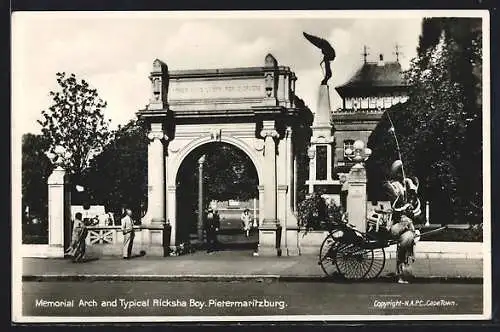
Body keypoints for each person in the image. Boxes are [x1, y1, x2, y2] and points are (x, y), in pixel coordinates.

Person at [385, 160, 422, 284]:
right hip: (396, 222)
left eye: (402, 171)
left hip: (407, 222)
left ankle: (403, 272)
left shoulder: (408, 184)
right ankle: (401, 272)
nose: (401, 174)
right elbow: (395, 206)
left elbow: (415, 204)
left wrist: (412, 197)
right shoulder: (393, 186)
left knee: (409, 238)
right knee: (406, 239)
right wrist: (404, 206)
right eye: (398, 172)